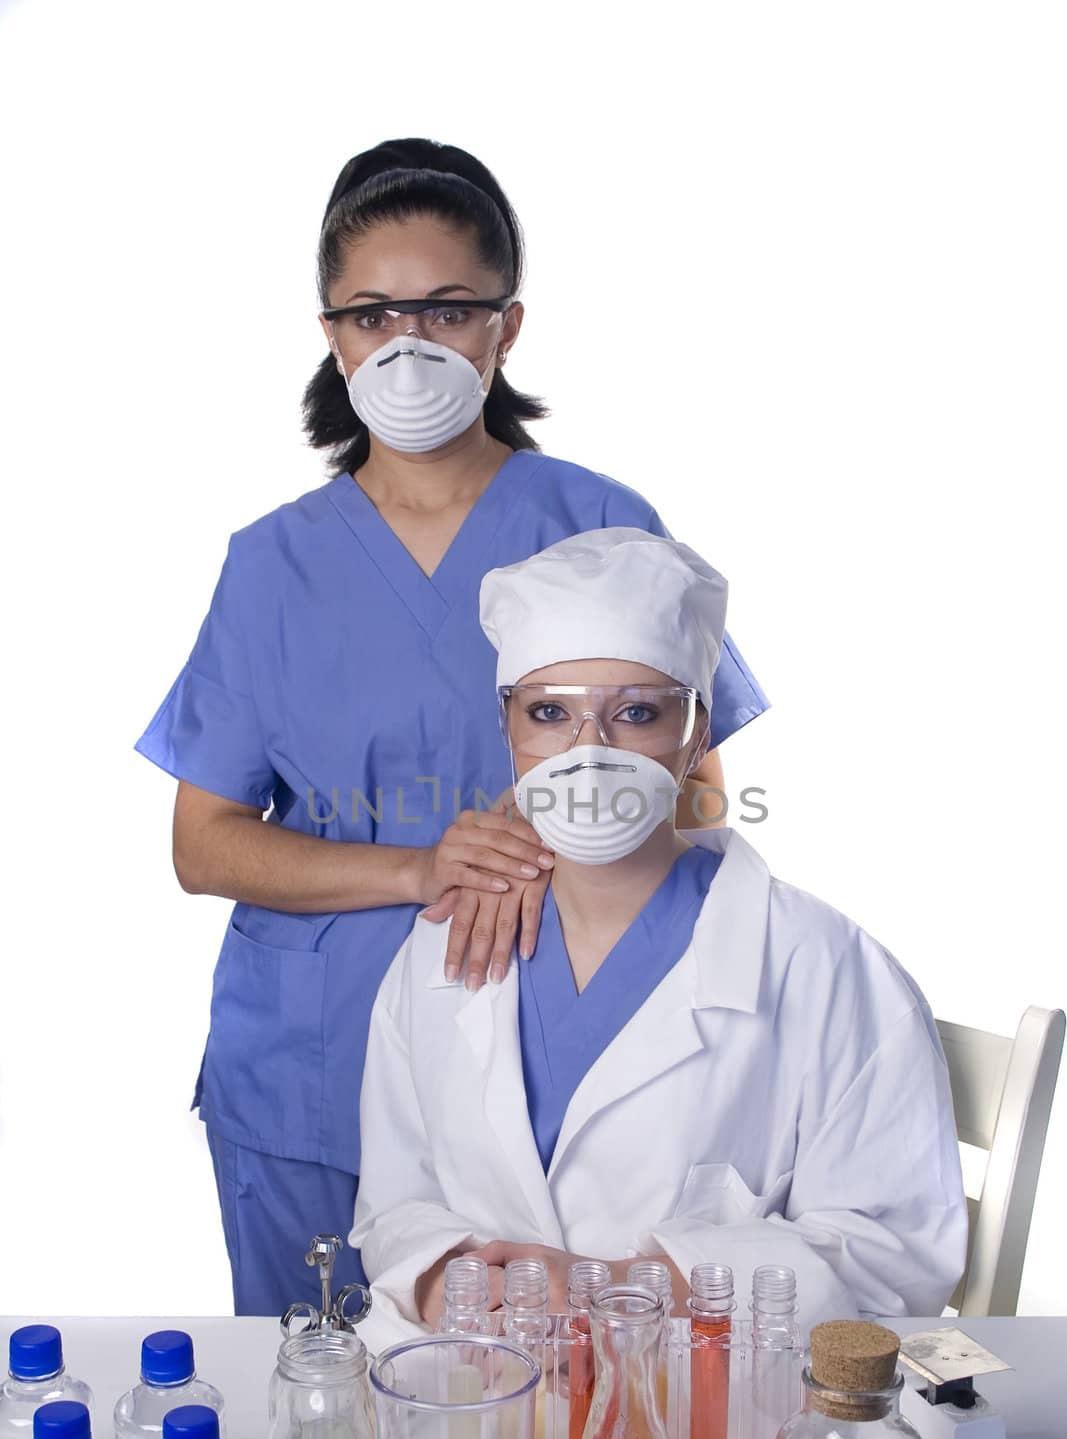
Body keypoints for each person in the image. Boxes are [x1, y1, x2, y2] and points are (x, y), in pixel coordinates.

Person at [133, 139, 768, 1316]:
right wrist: (423, 865)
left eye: (446, 308)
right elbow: (204, 842)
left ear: (504, 328)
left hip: (545, 1041)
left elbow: (699, 792)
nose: (408, 343)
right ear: (331, 332)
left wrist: (549, 858)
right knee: (324, 1427)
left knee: (550, 1425)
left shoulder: (598, 520)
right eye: (373, 313)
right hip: (307, 1071)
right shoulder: (270, 565)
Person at [351, 528, 968, 1337]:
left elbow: (894, 1255)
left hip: (708, 1414)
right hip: (483, 1401)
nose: (588, 753)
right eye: (549, 714)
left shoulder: (824, 966)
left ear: (698, 732)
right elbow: (395, 1205)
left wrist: (618, 1286)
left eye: (636, 713)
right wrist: (440, 1282)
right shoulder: (442, 948)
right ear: (507, 726)